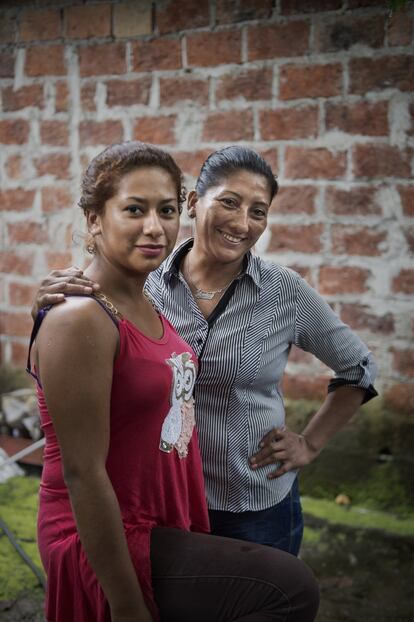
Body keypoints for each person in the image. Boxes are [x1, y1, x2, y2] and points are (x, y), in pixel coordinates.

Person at [31, 145, 377, 559]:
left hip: (251, 501)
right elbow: (75, 343)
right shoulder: (144, 279)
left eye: (258, 211)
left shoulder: (284, 292)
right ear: (194, 203)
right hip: (163, 500)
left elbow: (358, 367)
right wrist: (45, 305)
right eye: (229, 202)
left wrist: (310, 444)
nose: (241, 223)